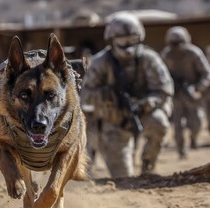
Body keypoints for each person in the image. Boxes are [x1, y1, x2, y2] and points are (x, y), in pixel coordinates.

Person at [81, 12, 174, 177]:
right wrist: (107, 97)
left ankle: (148, 165)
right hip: (113, 119)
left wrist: (149, 102)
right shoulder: (100, 62)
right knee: (123, 178)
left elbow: (165, 89)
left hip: (144, 111)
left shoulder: (149, 59)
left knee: (159, 122)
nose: (128, 47)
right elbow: (85, 96)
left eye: (132, 40)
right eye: (122, 41)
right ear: (112, 40)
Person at [160, 26, 210, 159]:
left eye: (179, 43)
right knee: (178, 126)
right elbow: (161, 74)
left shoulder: (194, 53)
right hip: (176, 95)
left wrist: (198, 89)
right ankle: (182, 150)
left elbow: (206, 73)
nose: (177, 47)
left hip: (193, 94)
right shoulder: (166, 54)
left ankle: (194, 138)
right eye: (173, 44)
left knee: (196, 124)